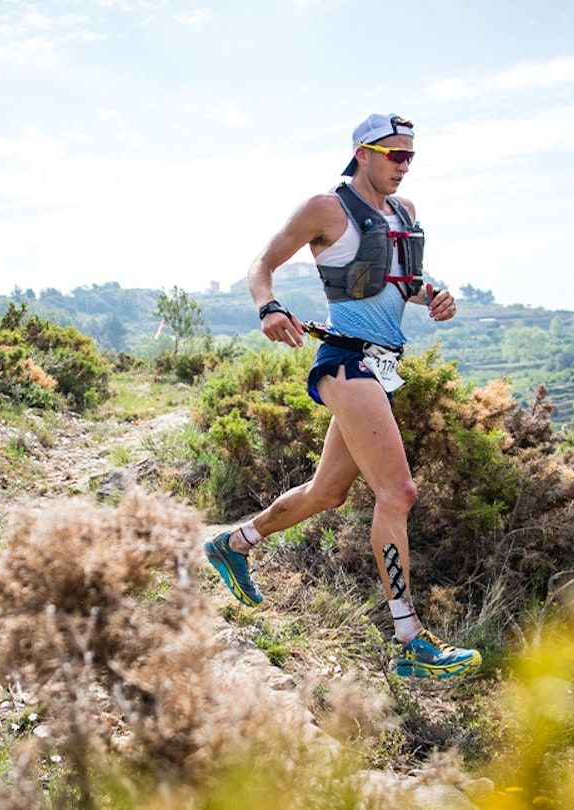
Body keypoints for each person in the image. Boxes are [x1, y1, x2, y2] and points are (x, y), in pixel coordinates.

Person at [204, 113, 480, 680]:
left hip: (383, 366)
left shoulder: (405, 215)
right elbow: (262, 264)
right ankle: (410, 641)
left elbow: (404, 284)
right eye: (393, 154)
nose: (404, 165)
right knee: (398, 493)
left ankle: (234, 543)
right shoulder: (326, 208)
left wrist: (438, 296)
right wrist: (269, 307)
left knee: (327, 493)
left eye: (411, 157)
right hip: (347, 360)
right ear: (362, 152)